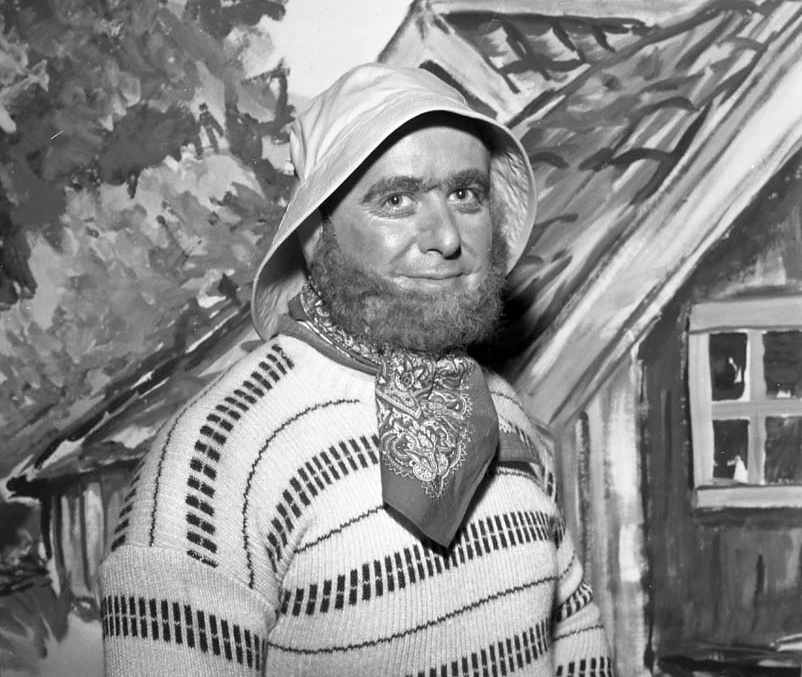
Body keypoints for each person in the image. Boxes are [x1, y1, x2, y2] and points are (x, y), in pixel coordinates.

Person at [98, 63, 612, 676]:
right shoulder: (215, 454)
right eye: (396, 200)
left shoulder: (501, 407)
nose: (447, 237)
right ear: (316, 234)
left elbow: (576, 631)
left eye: (465, 195)